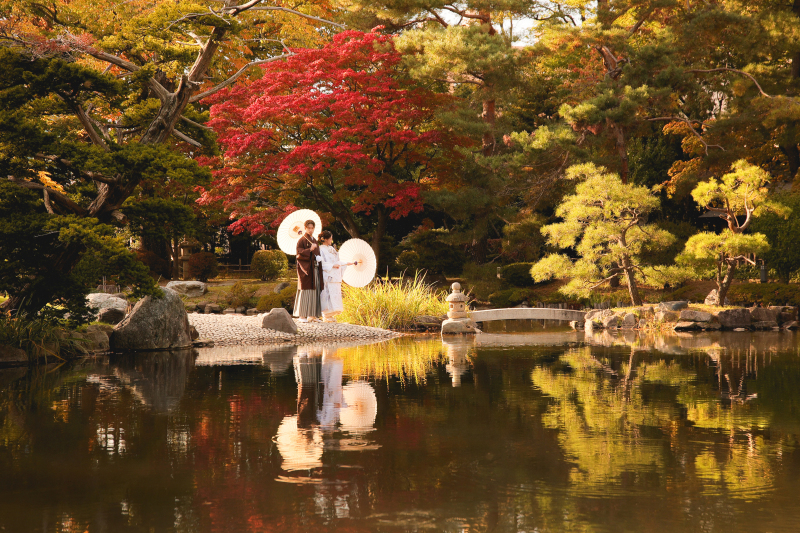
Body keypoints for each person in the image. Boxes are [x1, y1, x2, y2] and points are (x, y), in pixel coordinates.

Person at [318, 231, 354, 323]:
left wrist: (347, 263)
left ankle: (331, 315)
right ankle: (326, 315)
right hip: (328, 274)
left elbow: (337, 261)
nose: (331, 240)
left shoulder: (332, 249)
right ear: (326, 239)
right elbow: (321, 263)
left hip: (335, 275)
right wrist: (332, 266)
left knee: (335, 294)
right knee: (327, 294)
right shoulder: (320, 249)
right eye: (330, 238)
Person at [293, 220, 323, 322]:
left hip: (314, 268)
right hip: (306, 269)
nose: (310, 230)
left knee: (315, 290)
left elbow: (317, 253)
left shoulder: (314, 240)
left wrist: (318, 257)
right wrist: (309, 250)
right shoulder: (302, 240)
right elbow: (299, 254)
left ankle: (312, 315)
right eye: (308, 228)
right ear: (305, 228)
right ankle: (302, 316)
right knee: (305, 291)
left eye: (312, 228)